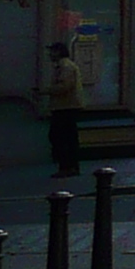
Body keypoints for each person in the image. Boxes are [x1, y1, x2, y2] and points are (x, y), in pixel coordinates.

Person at [43, 40, 84, 177]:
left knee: (61, 137)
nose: (50, 54)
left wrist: (45, 91)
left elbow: (64, 86)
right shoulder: (63, 66)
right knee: (65, 137)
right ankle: (68, 166)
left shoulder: (66, 67)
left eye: (52, 51)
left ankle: (67, 167)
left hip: (66, 107)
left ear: (59, 52)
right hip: (65, 106)